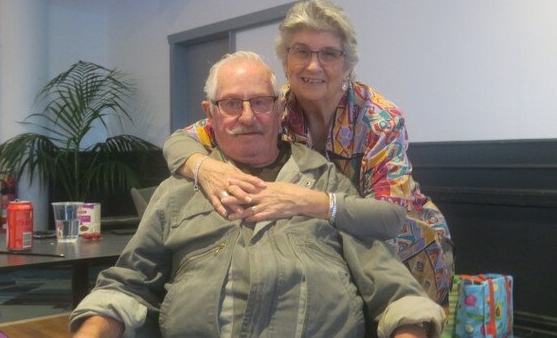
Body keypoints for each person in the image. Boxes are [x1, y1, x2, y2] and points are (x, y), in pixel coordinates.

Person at [70, 52, 445, 338]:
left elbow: (395, 292)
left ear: (279, 109)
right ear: (210, 114)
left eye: (260, 102)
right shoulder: (177, 193)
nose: (247, 116)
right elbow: (124, 285)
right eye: (231, 103)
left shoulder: (328, 183)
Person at [163, 0, 454, 306]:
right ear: (286, 61)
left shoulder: (378, 119)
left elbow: (391, 217)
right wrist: (206, 169)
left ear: (347, 64)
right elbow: (179, 141)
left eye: (328, 53)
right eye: (301, 51)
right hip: (336, 251)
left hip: (403, 252)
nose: (313, 65)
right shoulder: (274, 107)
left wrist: (304, 200)